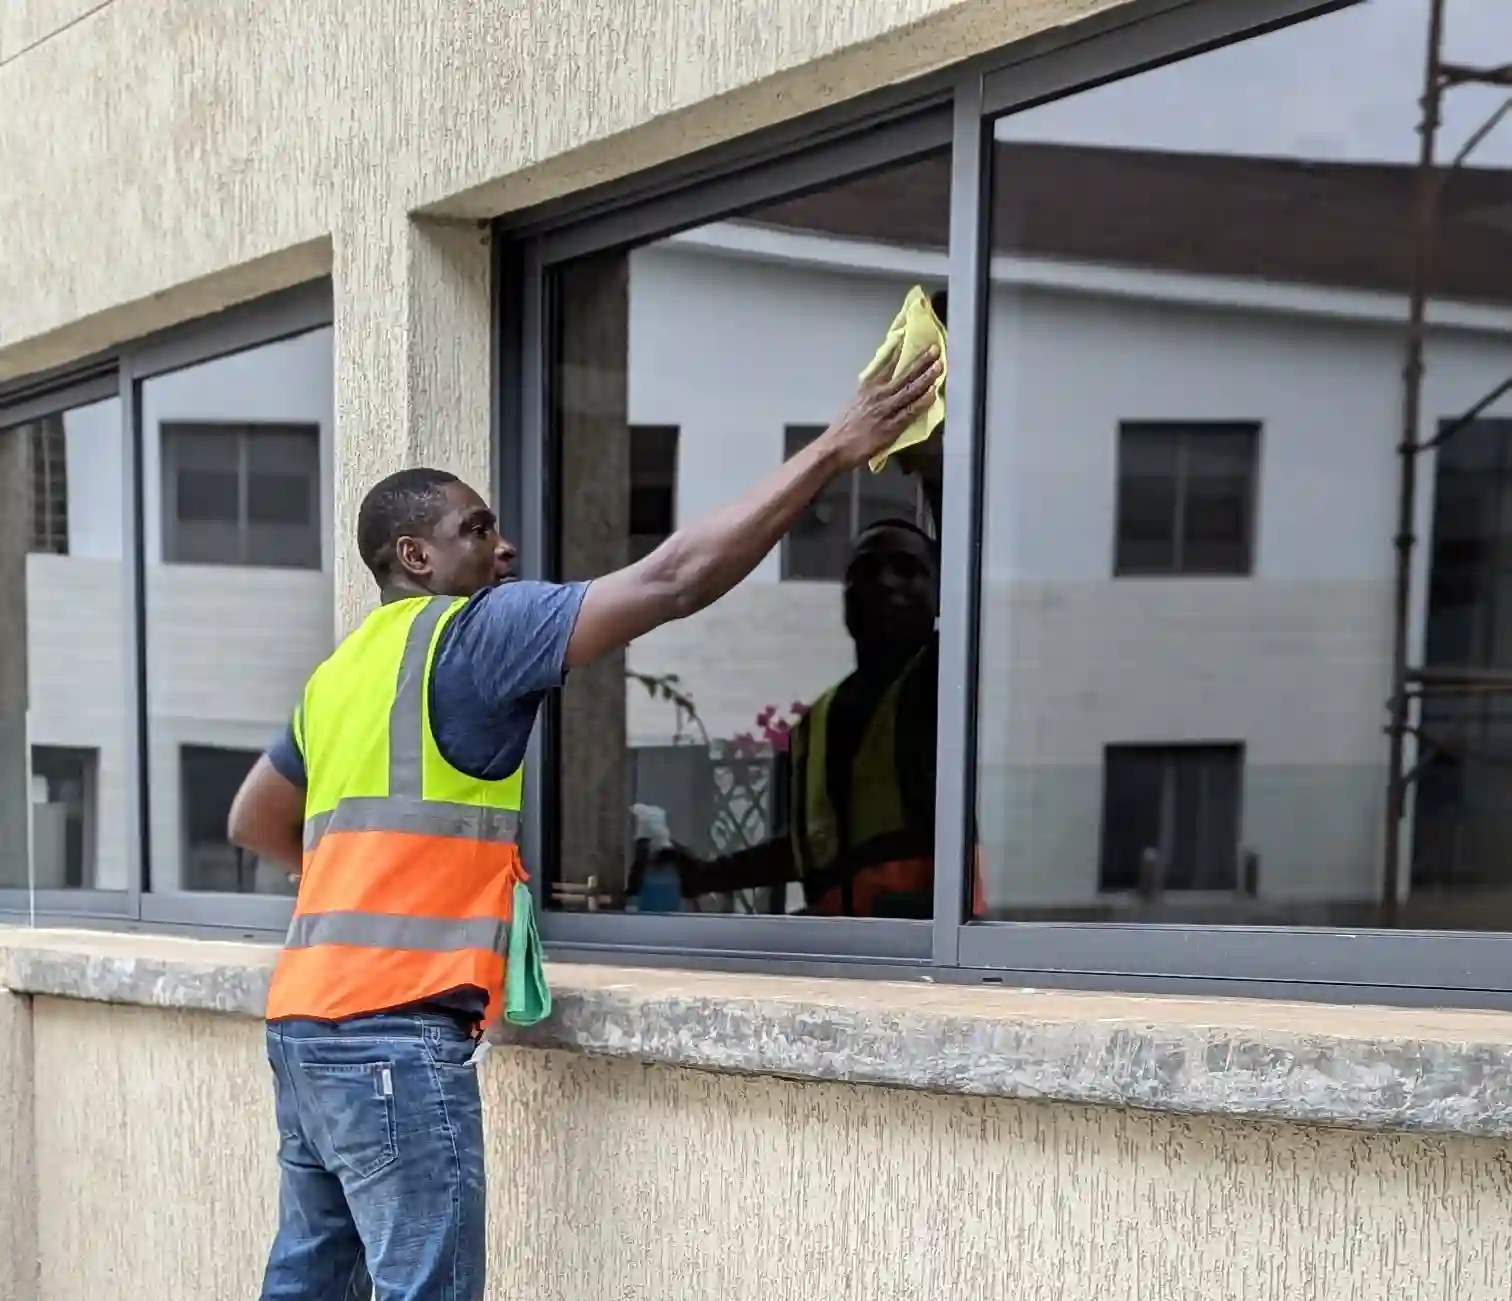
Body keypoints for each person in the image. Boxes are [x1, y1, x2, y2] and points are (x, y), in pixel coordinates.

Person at [226, 344, 942, 1301]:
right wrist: (832, 451)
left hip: (304, 1031)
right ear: (416, 556)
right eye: (478, 529)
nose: (504, 547)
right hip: (394, 1040)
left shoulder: (339, 674)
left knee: (306, 1286)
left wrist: (361, 888)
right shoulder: (477, 630)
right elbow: (675, 579)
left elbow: (254, 816)